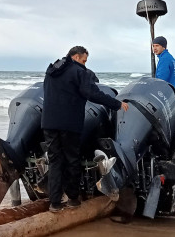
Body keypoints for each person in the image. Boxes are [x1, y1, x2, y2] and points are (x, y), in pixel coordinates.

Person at [42, 46, 129, 213]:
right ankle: (73, 199)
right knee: (71, 159)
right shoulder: (78, 71)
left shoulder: (51, 70)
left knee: (54, 160)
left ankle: (54, 203)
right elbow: (92, 93)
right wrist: (116, 103)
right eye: (83, 60)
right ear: (75, 57)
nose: (84, 64)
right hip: (69, 123)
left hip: (49, 122)